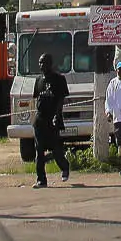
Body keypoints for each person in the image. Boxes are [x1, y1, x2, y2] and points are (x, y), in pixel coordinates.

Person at [31, 52, 71, 188]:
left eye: (44, 62)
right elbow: (37, 98)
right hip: (40, 119)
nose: (41, 65)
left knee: (55, 149)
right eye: (40, 62)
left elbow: (61, 99)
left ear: (50, 64)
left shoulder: (59, 79)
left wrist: (57, 115)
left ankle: (65, 167)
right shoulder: (38, 80)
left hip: (53, 118)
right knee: (39, 150)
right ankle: (41, 180)